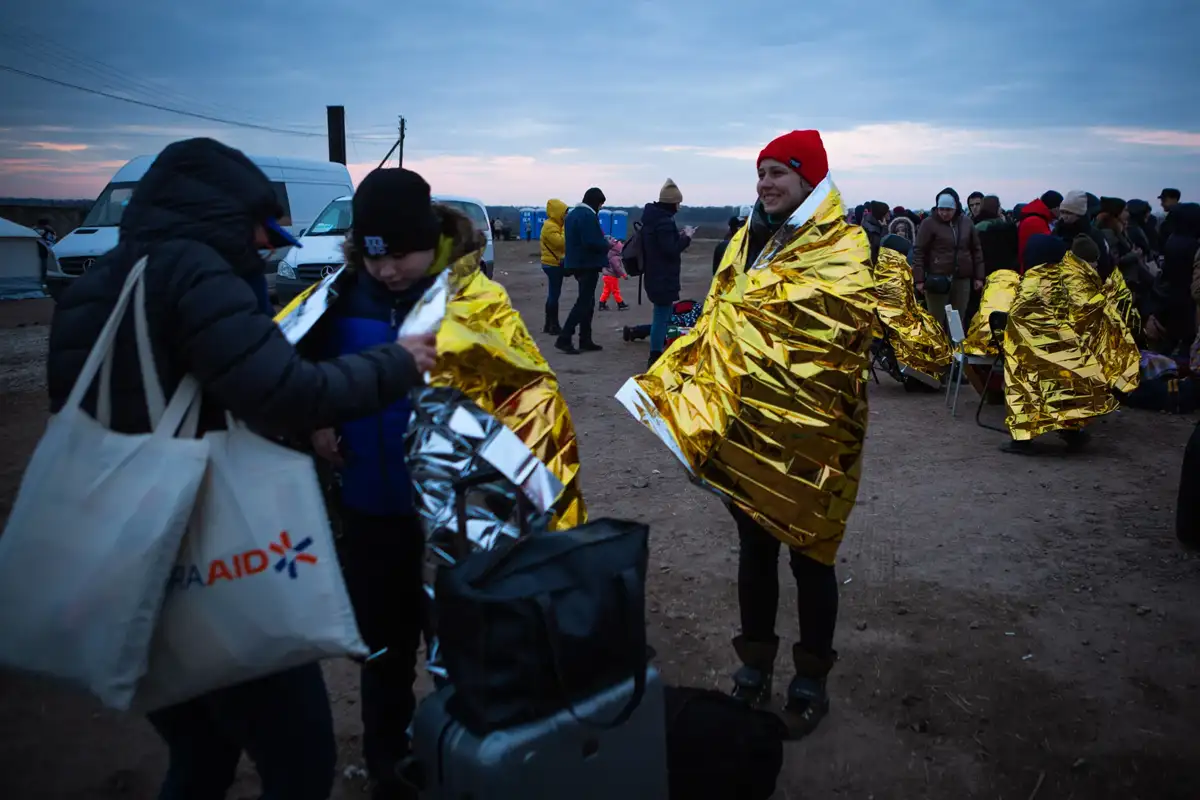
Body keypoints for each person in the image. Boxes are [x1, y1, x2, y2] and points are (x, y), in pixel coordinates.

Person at [46, 139, 436, 800]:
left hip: (125, 551)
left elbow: (84, 411)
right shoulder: (199, 279)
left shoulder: (99, 285)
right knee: (298, 755)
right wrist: (389, 368)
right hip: (220, 556)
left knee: (201, 752)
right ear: (225, 212)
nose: (264, 246)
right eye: (260, 227)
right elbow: (278, 387)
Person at [299, 167, 484, 800]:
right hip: (370, 506)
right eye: (373, 256)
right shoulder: (339, 301)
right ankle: (388, 760)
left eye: (400, 255)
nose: (386, 271)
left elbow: (516, 396)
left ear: (429, 240)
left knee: (458, 641)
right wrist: (318, 422)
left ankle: (464, 752)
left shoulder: (469, 298)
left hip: (451, 514)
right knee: (383, 647)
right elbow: (304, 376)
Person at [719, 129, 866, 739]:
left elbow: (843, 332)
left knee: (811, 557)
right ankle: (754, 668)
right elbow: (721, 318)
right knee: (754, 551)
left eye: (778, 172)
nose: (765, 183)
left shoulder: (845, 246)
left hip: (816, 435)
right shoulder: (745, 242)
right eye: (761, 173)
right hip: (750, 426)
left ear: (809, 180)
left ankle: (810, 679)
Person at [913, 187, 984, 331]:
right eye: (941, 209)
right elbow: (919, 251)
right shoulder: (928, 224)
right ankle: (936, 345)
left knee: (956, 319)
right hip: (937, 279)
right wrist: (919, 279)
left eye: (948, 210)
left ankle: (956, 344)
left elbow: (976, 250)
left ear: (956, 208)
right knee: (936, 320)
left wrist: (979, 277)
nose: (944, 213)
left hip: (961, 279)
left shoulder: (966, 223)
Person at [641, 178, 695, 368]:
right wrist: (686, 238)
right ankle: (655, 356)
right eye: (678, 203)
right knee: (662, 317)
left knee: (662, 314)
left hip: (655, 275)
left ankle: (658, 352)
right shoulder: (663, 222)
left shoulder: (653, 220)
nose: (679, 207)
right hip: (663, 277)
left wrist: (678, 237)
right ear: (672, 203)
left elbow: (661, 245)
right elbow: (670, 250)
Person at [556, 187, 609, 354]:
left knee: (588, 302)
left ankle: (585, 338)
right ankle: (565, 337)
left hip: (576, 263)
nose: (600, 208)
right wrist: (606, 244)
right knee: (583, 302)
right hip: (588, 264)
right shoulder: (588, 216)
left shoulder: (572, 215)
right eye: (600, 204)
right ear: (595, 202)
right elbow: (590, 241)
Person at [1054, 190, 1111, 277]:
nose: (1064, 216)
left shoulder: (1094, 235)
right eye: (1062, 212)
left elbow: (1105, 263)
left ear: (1079, 214)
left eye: (1069, 213)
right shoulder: (1057, 231)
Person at [539, 198, 568, 334]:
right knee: (554, 295)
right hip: (553, 264)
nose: (566, 215)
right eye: (564, 212)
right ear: (558, 212)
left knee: (553, 294)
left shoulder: (554, 225)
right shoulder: (550, 226)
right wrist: (566, 229)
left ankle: (548, 324)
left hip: (552, 262)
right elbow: (561, 243)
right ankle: (553, 326)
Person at [1016, 190, 1061, 271]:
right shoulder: (1035, 221)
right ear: (1055, 207)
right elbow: (1049, 247)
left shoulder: (1037, 218)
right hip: (1033, 270)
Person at [598, 237, 629, 310]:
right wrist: (624, 275)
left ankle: (602, 304)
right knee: (615, 291)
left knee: (606, 291)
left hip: (607, 276)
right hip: (612, 276)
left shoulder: (609, 254)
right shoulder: (615, 257)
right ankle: (620, 304)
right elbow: (618, 268)